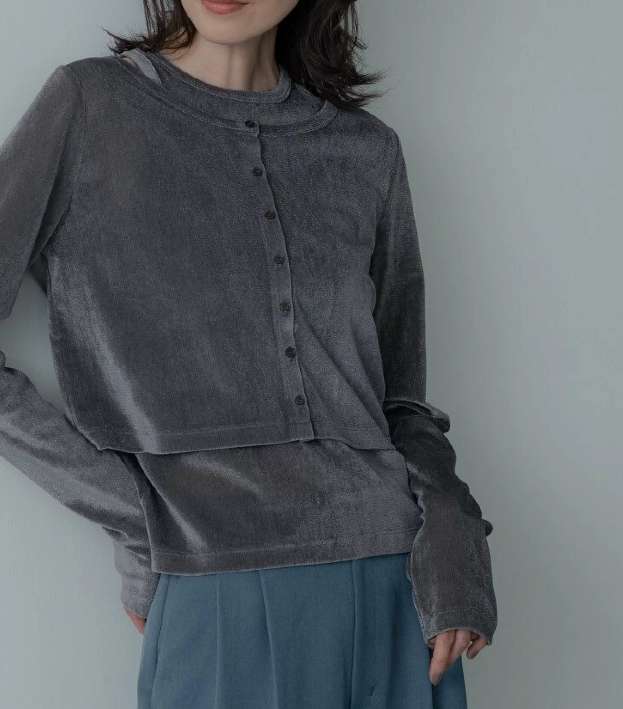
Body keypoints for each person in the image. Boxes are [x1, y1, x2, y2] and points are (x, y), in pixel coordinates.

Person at [0, 0, 497, 707]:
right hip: (214, 585)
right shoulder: (89, 106)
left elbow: (398, 397)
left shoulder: (366, 150)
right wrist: (138, 517)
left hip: (400, 586)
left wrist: (451, 530)